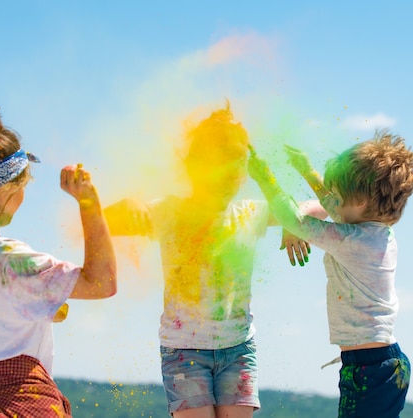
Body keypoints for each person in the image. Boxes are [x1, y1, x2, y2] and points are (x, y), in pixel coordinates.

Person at [103, 102, 310, 418]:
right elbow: (102, 221)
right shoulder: (169, 212)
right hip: (184, 350)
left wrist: (290, 221)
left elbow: (311, 210)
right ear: (195, 168)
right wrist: (126, 203)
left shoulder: (249, 214)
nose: (228, 184)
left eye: (235, 174)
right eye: (218, 174)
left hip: (238, 349)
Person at [0, 99, 117, 417]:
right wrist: (88, 201)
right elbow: (102, 282)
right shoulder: (7, 260)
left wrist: (43, 305)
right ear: (6, 191)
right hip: (24, 404)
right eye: (23, 187)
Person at [247, 129, 413, 418]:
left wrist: (264, 176)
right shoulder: (378, 233)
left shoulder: (353, 241)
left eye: (339, 193)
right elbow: (335, 206)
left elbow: (295, 220)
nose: (332, 199)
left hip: (369, 369)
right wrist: (305, 169)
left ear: (361, 202)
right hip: (384, 363)